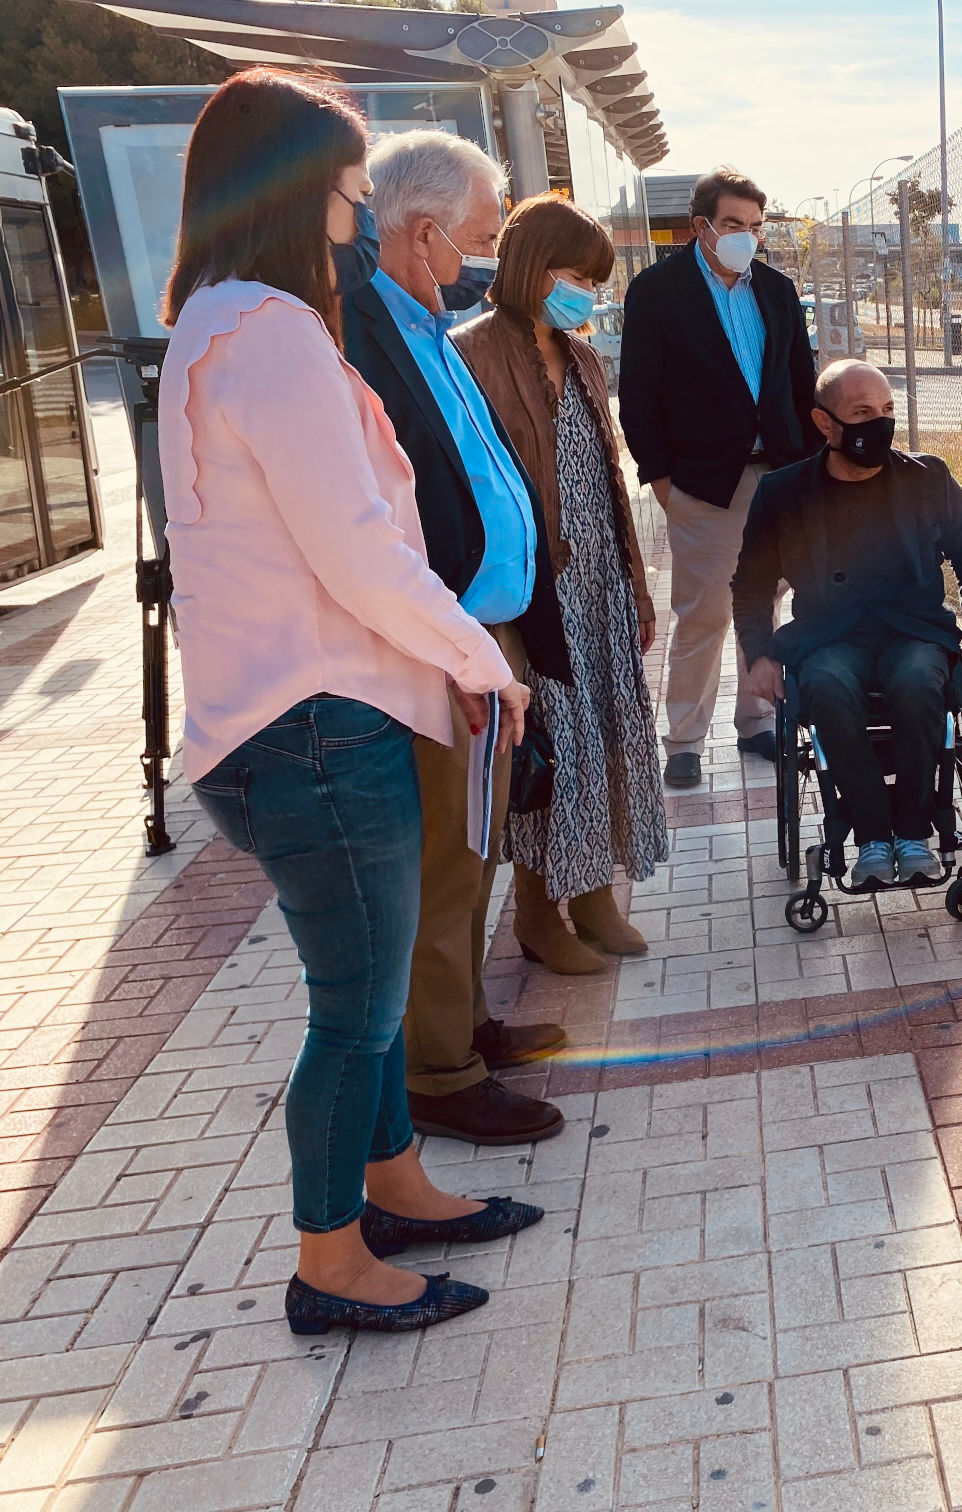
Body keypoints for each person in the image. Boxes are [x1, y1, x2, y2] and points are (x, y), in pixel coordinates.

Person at [159, 71, 545, 1335]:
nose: (359, 215)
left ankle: (395, 1187)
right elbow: (361, 550)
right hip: (316, 728)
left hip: (287, 721)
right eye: (346, 190)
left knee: (368, 993)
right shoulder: (267, 333)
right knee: (354, 1012)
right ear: (298, 194)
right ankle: (331, 1262)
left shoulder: (213, 325)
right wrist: (483, 663)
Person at [342, 130, 574, 1146]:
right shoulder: (360, 336)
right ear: (423, 232)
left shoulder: (425, 330)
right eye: (478, 236)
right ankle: (439, 1073)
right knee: (446, 857)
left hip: (488, 632)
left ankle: (464, 1023)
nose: (483, 256)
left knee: (475, 847)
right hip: (440, 640)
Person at [454, 194, 667, 973]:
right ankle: (539, 915)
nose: (583, 289)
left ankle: (593, 898)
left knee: (607, 734)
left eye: (592, 278)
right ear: (526, 265)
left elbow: (611, 477)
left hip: (601, 584)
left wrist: (638, 589)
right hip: (537, 591)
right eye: (571, 272)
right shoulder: (472, 351)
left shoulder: (581, 357)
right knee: (555, 748)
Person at [731, 360, 962, 886]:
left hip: (914, 629)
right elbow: (751, 583)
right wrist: (759, 652)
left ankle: (914, 832)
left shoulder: (928, 479)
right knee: (827, 685)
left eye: (887, 410)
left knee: (921, 681)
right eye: (862, 413)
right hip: (830, 634)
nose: (879, 423)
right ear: (824, 422)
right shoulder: (784, 494)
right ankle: (874, 837)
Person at [618, 166, 817, 790]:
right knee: (703, 611)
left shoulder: (778, 292)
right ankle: (683, 739)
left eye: (756, 227)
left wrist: (811, 471)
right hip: (704, 483)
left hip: (778, 476)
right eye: (733, 225)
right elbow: (639, 395)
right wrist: (661, 481)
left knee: (767, 602)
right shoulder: (657, 292)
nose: (746, 237)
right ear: (701, 225)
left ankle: (756, 721)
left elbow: (801, 385)